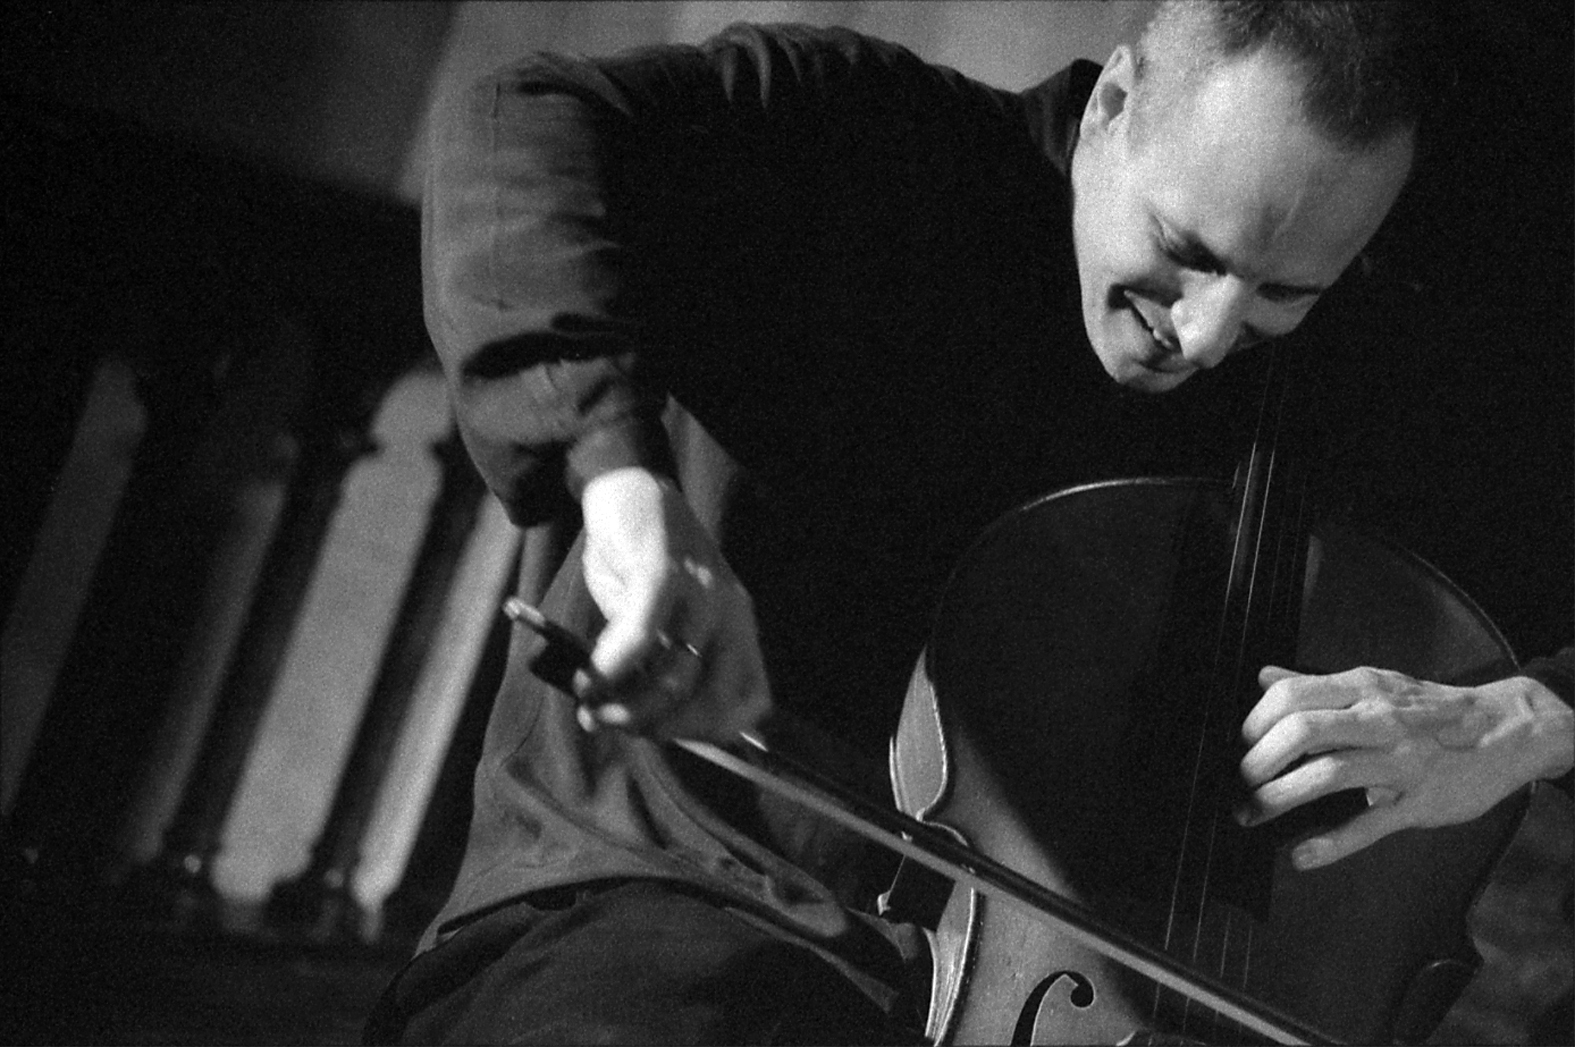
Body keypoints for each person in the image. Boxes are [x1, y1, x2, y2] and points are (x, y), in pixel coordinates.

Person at [368, 3, 1573, 1043]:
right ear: (1112, 107)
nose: (1209, 334)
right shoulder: (877, 151)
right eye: (1186, 251)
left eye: (1283, 291)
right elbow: (518, 124)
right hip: (659, 921)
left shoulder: (1351, 389)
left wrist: (1520, 720)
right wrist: (621, 486)